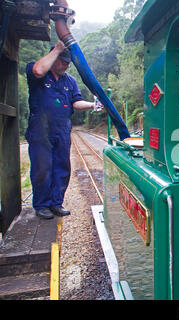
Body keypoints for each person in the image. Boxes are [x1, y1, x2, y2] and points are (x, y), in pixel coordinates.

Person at [25, 40, 102, 219]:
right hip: (40, 129)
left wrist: (92, 104)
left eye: (68, 62)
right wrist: (58, 48)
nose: (67, 65)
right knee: (42, 167)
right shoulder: (38, 71)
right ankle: (42, 205)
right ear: (54, 58)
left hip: (62, 129)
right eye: (63, 61)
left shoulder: (70, 81)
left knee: (62, 167)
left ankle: (56, 203)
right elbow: (38, 70)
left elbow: (76, 102)